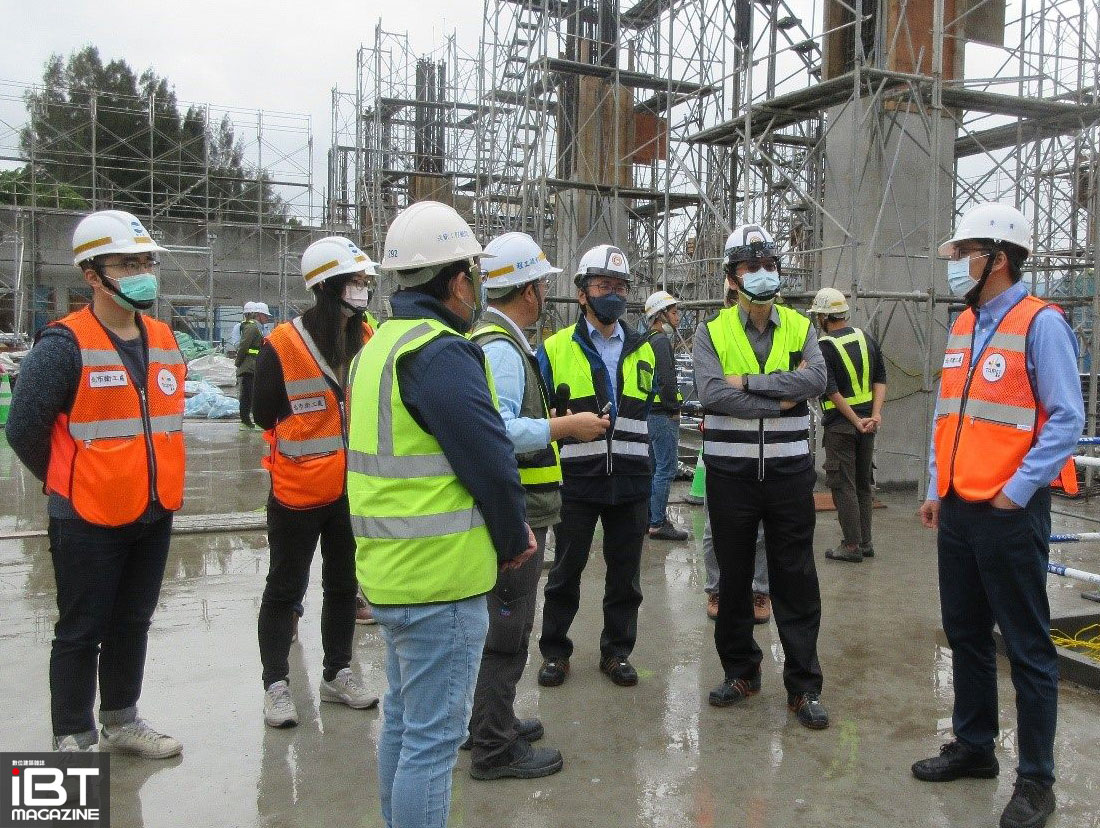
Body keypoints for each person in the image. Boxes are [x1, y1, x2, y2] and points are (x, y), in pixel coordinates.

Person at [347, 201, 535, 827]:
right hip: (440, 580)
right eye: (473, 275)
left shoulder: (376, 349)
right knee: (432, 743)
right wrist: (513, 538)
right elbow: (491, 461)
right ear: (456, 281)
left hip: (389, 572)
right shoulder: (441, 353)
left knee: (405, 724)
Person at [913, 203, 1083, 828]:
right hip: (959, 508)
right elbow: (948, 414)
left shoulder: (1041, 324)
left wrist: (1016, 490)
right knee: (964, 633)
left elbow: (1066, 418)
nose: (957, 264)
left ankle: (1036, 781)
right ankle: (975, 746)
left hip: (1009, 513)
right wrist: (936, 486)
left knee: (1027, 646)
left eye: (965, 254)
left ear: (999, 259)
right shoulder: (964, 325)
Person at [5, 209, 185, 757]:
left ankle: (122, 720)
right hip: (85, 516)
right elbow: (23, 428)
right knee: (81, 628)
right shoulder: (65, 343)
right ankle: (73, 735)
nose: (142, 273)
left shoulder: (162, 338)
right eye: (127, 263)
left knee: (132, 622)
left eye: (146, 261)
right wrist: (72, 481)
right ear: (93, 275)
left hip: (153, 508)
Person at [465, 232, 605, 780]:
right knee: (508, 630)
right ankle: (493, 747)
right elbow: (497, 429)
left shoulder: (501, 340)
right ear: (528, 289)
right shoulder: (502, 348)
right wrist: (564, 428)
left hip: (522, 505)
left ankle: (489, 721)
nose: (546, 292)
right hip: (518, 509)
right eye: (542, 284)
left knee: (503, 625)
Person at [693, 223, 829, 729]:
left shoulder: (799, 326)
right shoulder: (711, 332)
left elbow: (817, 379)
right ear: (732, 277)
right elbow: (712, 393)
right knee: (733, 578)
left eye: (769, 265)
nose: (763, 274)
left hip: (789, 472)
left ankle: (804, 686)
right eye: (751, 267)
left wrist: (749, 382)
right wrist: (781, 398)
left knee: (796, 577)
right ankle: (740, 672)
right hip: (731, 473)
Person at [253, 235, 380, 728]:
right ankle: (276, 685)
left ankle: (337, 673)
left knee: (344, 585)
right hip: (297, 492)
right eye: (354, 281)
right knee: (285, 589)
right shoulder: (282, 344)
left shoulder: (366, 336)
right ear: (326, 286)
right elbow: (262, 413)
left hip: (350, 490)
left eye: (364, 281)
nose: (362, 289)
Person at [536, 244, 654, 690]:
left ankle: (617, 652)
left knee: (626, 578)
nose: (614, 294)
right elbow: (538, 417)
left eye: (621, 287)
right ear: (582, 293)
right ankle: (555, 652)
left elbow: (649, 413)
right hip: (577, 481)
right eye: (604, 285)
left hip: (631, 480)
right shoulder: (553, 350)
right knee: (565, 573)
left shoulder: (644, 348)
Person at [809, 287, 887, 563]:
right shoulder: (866, 338)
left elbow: (830, 390)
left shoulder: (824, 347)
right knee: (863, 483)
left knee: (843, 484)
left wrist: (855, 420)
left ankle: (851, 545)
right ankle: (865, 542)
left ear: (823, 317)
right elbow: (880, 379)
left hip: (842, 427)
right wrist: (874, 416)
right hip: (868, 425)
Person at [643, 290, 690, 541]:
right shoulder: (661, 341)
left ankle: (649, 518)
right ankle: (658, 522)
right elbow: (667, 380)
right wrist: (674, 409)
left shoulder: (648, 340)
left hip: (650, 413)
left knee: (653, 468)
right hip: (663, 414)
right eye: (673, 312)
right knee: (666, 468)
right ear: (660, 315)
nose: (677, 317)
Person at [236, 301, 273, 431]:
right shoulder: (252, 327)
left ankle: (248, 421)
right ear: (259, 315)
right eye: (265, 315)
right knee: (249, 394)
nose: (267, 318)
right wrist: (238, 362)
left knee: (250, 394)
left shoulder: (257, 327)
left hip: (253, 365)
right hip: (249, 366)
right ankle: (247, 421)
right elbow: (243, 346)